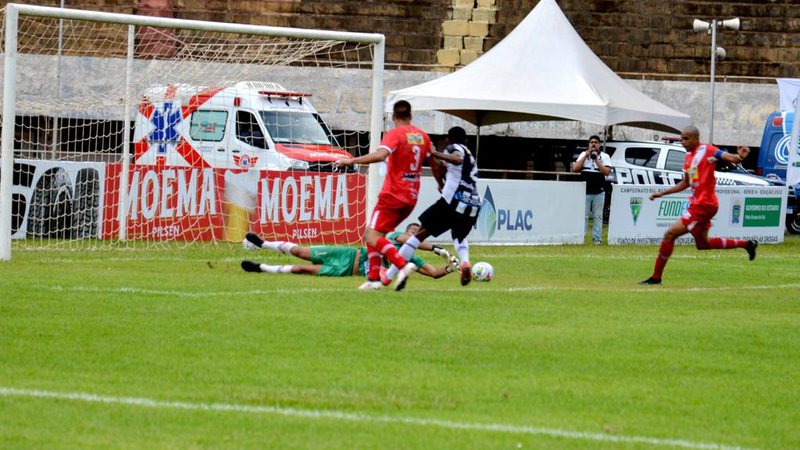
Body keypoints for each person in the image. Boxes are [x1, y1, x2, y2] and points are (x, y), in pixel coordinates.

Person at [332, 100, 436, 290]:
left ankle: (403, 265)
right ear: (410, 116)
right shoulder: (423, 137)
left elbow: (380, 155)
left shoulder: (395, 134)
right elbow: (434, 160)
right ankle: (373, 279)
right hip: (411, 197)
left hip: (392, 195)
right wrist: (440, 183)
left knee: (371, 236)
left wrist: (351, 161)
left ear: (394, 117)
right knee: (376, 235)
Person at [640, 125, 758, 285]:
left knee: (670, 234)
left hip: (704, 204)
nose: (684, 142)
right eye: (682, 139)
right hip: (699, 204)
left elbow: (730, 158)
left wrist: (740, 156)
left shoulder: (708, 150)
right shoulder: (688, 158)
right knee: (703, 244)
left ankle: (656, 277)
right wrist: (662, 193)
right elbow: (685, 183)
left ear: (696, 138)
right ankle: (747, 244)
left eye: (687, 138)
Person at [383, 126, 482, 291]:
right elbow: (446, 167)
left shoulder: (454, 148)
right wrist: (440, 179)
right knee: (458, 236)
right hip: (473, 204)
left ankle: (387, 276)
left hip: (453, 200)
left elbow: (456, 159)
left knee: (417, 237)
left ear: (447, 140)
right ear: (465, 140)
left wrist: (434, 153)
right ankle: (465, 261)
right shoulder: (471, 156)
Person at [240, 224, 458, 280]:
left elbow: (432, 272)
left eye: (417, 232)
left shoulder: (411, 258)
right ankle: (263, 243)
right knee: (300, 251)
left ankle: (261, 269)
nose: (412, 234)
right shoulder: (394, 237)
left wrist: (450, 267)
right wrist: (437, 248)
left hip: (346, 271)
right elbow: (408, 239)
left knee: (302, 269)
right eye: (411, 230)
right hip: (346, 255)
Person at [572, 135, 612, 245]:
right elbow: (575, 169)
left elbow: (606, 172)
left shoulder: (605, 156)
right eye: (591, 142)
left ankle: (597, 240)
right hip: (585, 192)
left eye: (595, 142)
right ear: (589, 144)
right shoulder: (583, 154)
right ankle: (582, 239)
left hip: (599, 192)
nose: (593, 144)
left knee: (597, 216)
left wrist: (596, 160)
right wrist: (586, 155)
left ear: (599, 144)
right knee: (583, 216)